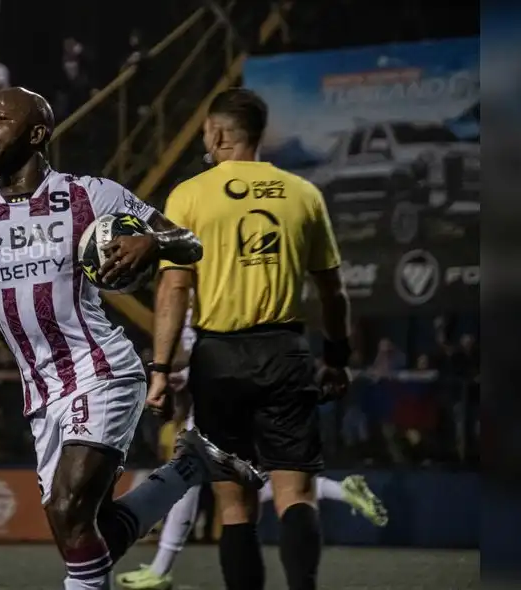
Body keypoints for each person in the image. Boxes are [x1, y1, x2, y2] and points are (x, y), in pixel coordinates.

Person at [0, 30, 263, 590]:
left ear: (37, 133)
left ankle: (191, 466)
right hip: (42, 393)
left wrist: (151, 242)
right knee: (82, 534)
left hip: (102, 370)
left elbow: (189, 242)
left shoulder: (93, 195)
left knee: (67, 508)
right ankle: (191, 465)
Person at [149, 87, 353, 590]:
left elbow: (174, 288)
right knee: (296, 494)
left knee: (235, 508)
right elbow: (334, 291)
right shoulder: (303, 194)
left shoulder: (189, 195)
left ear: (219, 133)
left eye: (205, 132)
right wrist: (337, 359)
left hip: (218, 360)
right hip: (284, 352)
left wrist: (158, 370)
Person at [119, 312, 386, 590]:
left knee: (206, 481)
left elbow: (194, 349)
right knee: (269, 485)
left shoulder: (197, 299)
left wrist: (165, 369)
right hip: (260, 374)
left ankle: (160, 569)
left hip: (222, 387)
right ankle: (341, 490)